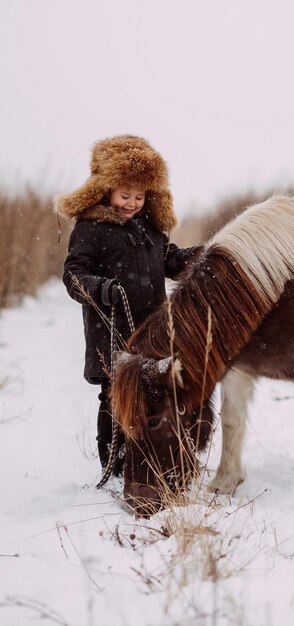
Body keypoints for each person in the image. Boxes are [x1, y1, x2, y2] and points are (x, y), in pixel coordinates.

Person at [54, 134, 201, 476]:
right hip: (112, 331)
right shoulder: (91, 228)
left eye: (140, 196)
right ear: (105, 189)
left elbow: (170, 259)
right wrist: (101, 289)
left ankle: (149, 458)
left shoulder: (150, 227)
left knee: (153, 396)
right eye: (125, 195)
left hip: (152, 331)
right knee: (115, 399)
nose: (132, 202)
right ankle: (114, 464)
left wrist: (199, 258)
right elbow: (73, 275)